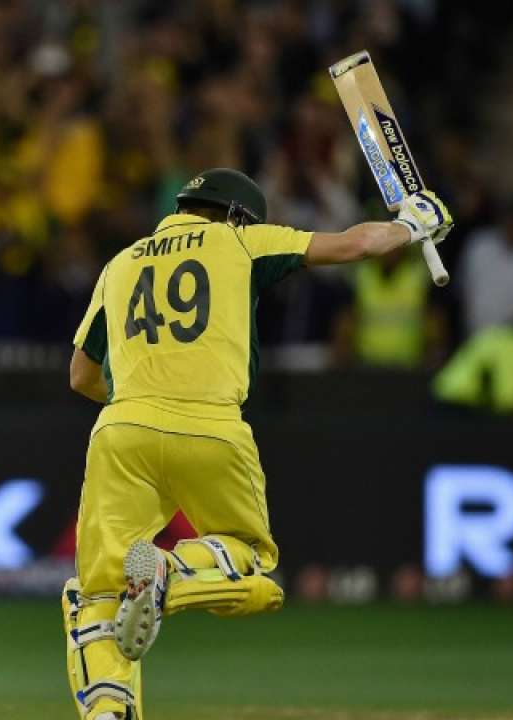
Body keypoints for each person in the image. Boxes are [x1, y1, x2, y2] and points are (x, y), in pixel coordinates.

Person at [63, 168, 452, 720]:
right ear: (238, 213)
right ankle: (169, 575)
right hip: (211, 427)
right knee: (250, 566)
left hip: (122, 427)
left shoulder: (121, 263)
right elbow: (358, 244)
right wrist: (413, 225)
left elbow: (81, 375)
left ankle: (107, 713)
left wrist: (141, 397)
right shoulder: (241, 240)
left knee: (97, 594)